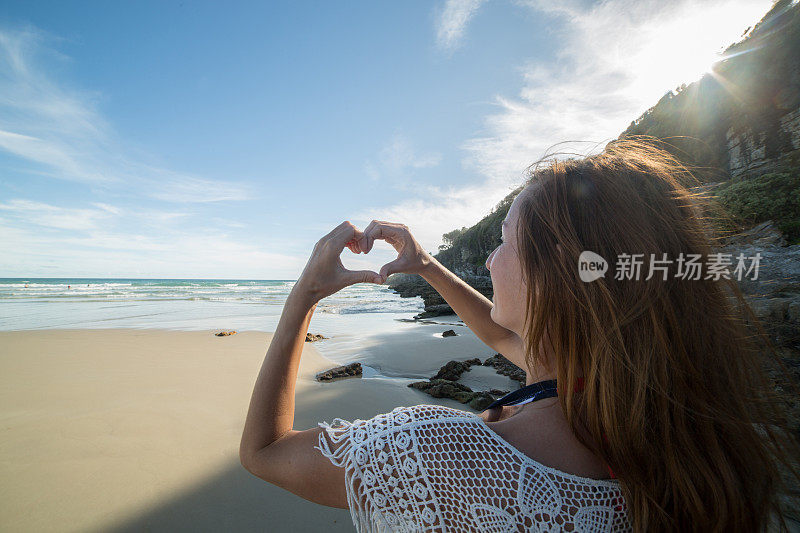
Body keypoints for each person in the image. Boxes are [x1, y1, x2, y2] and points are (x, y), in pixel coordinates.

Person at [239, 138, 800, 532]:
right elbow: (509, 340)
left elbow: (266, 453)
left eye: (504, 239)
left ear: (556, 273)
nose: (491, 254)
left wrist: (305, 295)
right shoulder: (668, 427)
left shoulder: (451, 455)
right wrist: (429, 265)